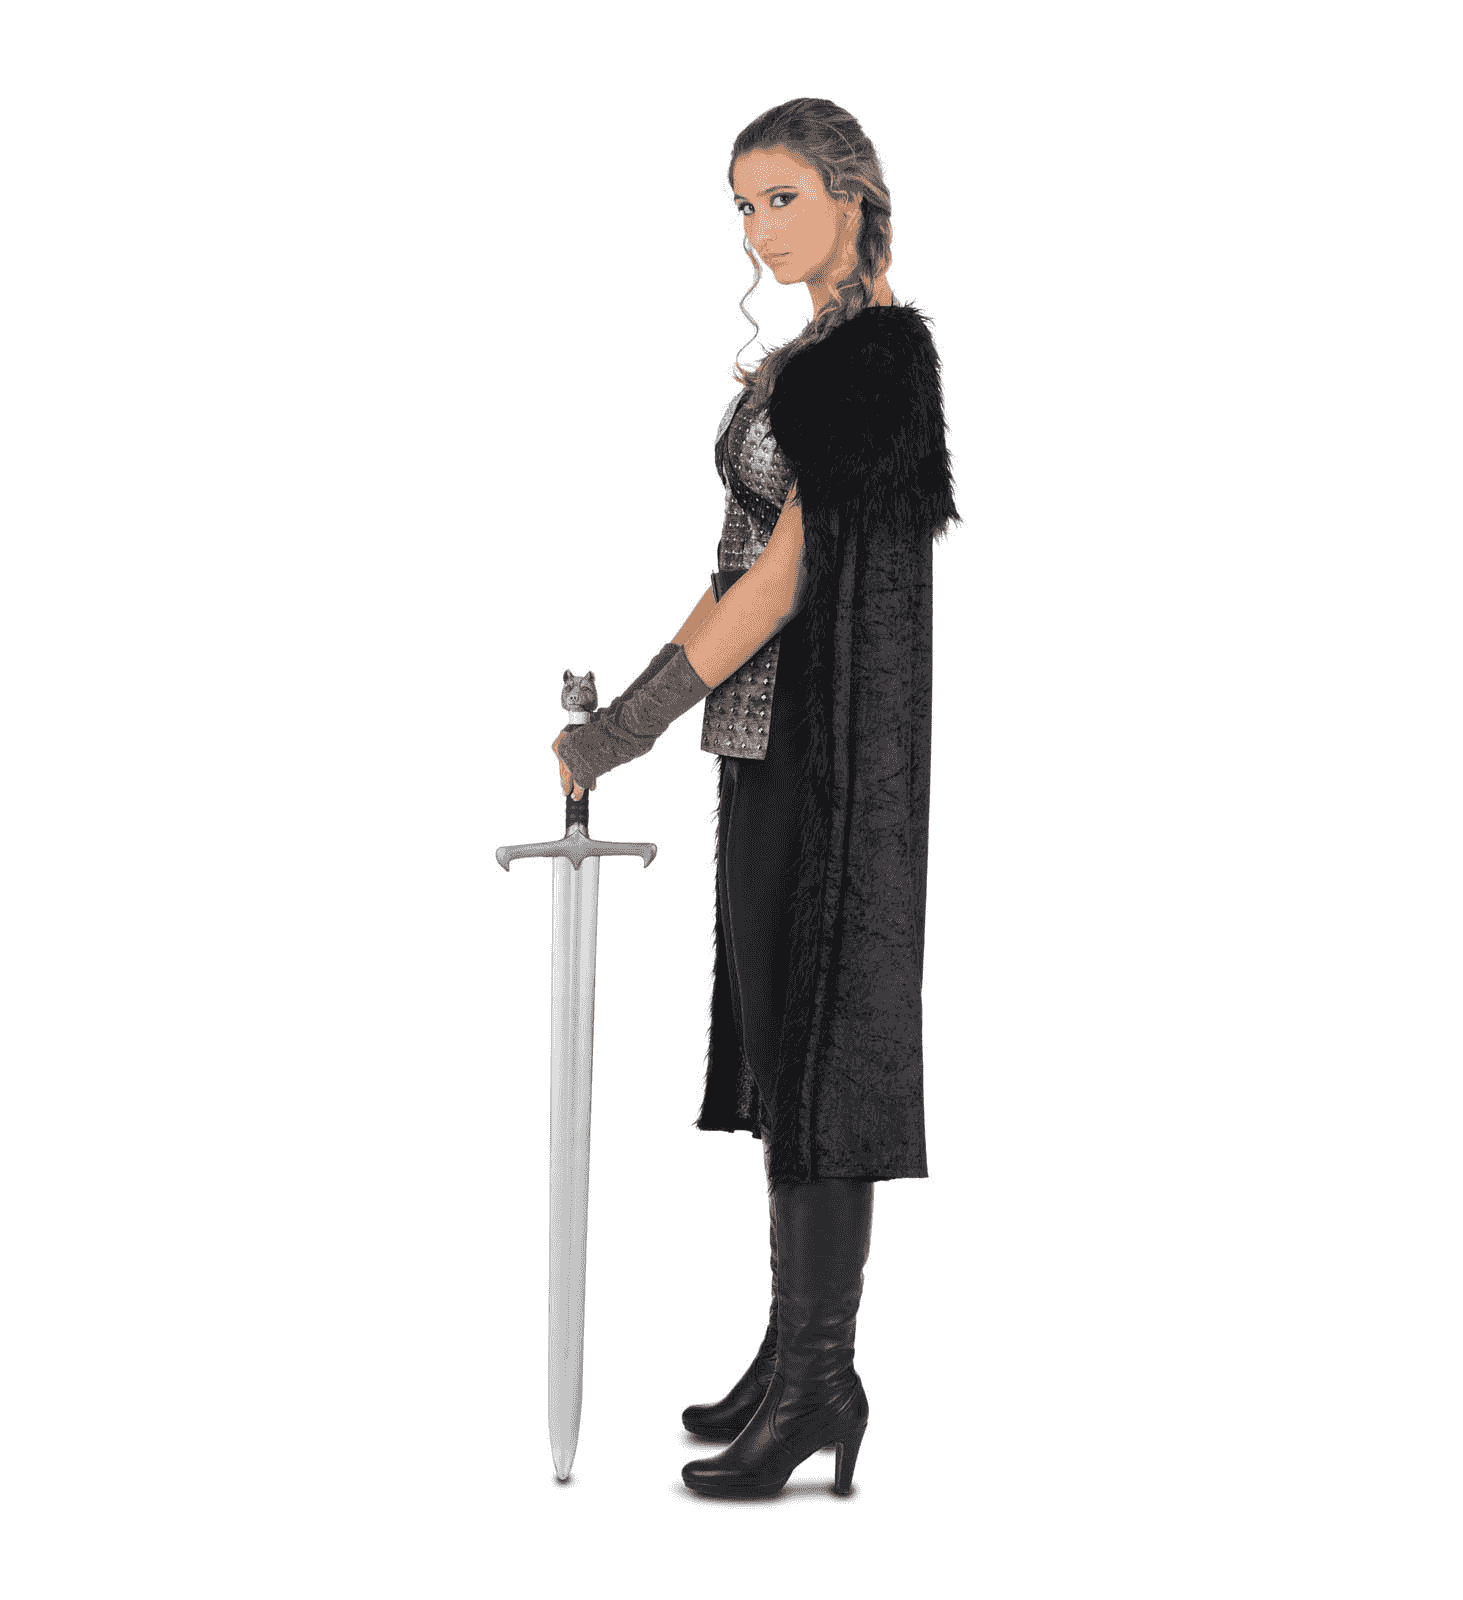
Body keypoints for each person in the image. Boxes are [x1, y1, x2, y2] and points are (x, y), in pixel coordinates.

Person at [551, 98, 959, 1500]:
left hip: (832, 751)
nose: (756, 228)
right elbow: (734, 566)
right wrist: (632, 712)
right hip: (765, 740)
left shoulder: (879, 358)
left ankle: (823, 1378)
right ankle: (794, 1357)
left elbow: (783, 584)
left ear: (852, 194)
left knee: (826, 1041)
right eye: (740, 204)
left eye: (780, 197)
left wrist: (630, 725)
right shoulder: (812, 356)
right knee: (784, 1035)